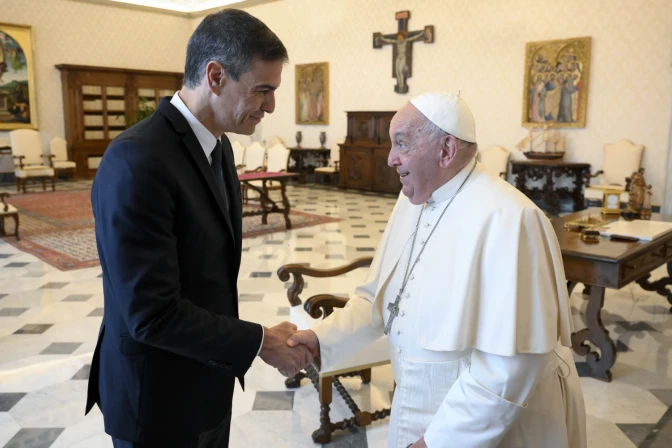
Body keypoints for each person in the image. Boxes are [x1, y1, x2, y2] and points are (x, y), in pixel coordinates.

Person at [288, 92, 586, 447]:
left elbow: (511, 365)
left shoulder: (511, 219)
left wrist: (440, 441)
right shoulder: (412, 198)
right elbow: (379, 299)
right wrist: (321, 338)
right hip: (413, 410)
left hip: (483, 428)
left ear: (445, 150)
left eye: (401, 143)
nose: (390, 159)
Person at [85, 9, 312, 448]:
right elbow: (152, 314)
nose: (271, 106)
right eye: (263, 89)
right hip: (157, 397)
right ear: (215, 76)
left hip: (207, 380)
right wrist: (260, 341)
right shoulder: (138, 159)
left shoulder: (220, 148)